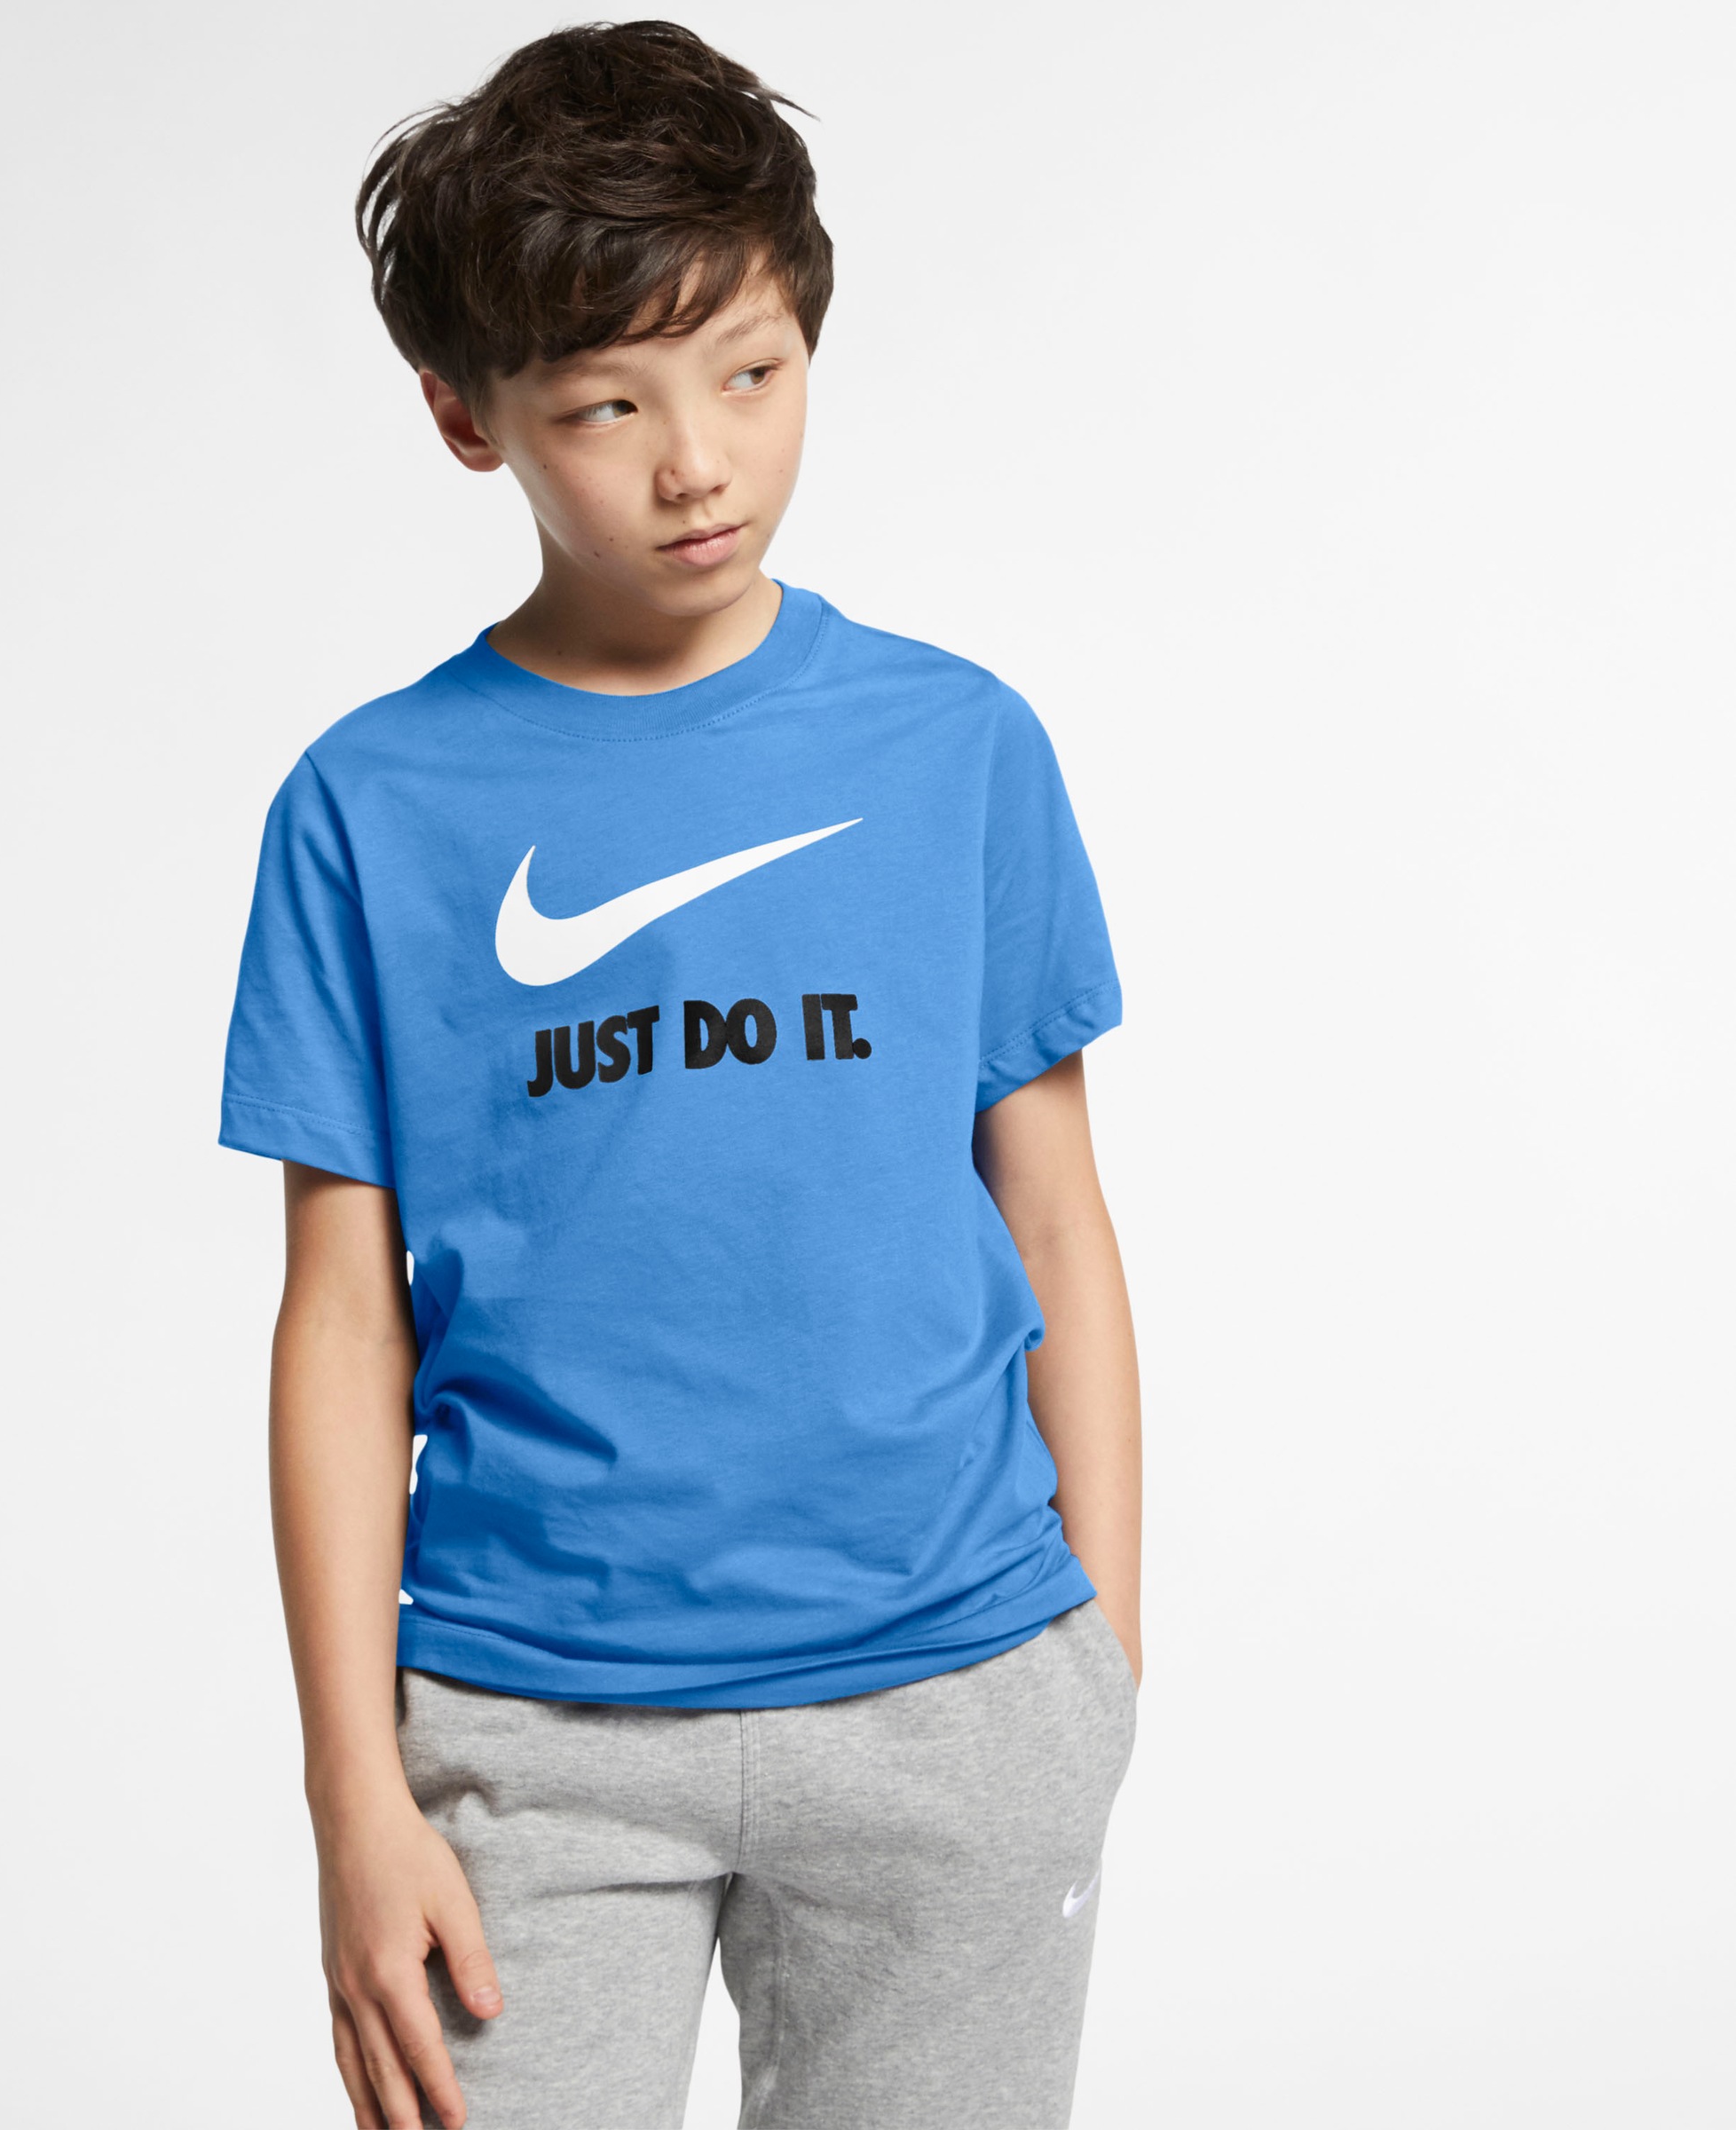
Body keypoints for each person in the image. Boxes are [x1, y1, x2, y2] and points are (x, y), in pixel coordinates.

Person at [219, 21, 1143, 2129]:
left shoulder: (957, 748)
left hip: (960, 1700)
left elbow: (1057, 1213)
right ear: (465, 415)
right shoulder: (370, 808)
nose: (698, 463)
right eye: (607, 405)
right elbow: (340, 1320)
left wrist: (1100, 1656)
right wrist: (352, 1794)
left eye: (749, 372)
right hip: (531, 1732)